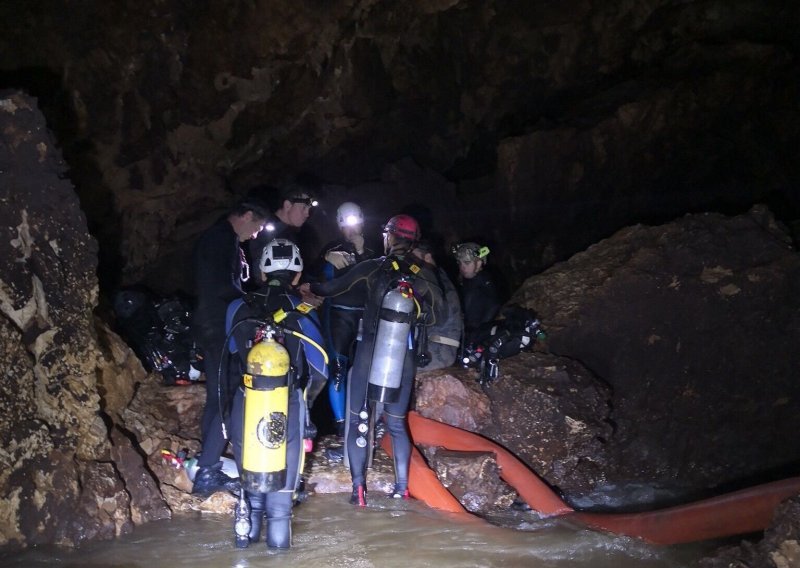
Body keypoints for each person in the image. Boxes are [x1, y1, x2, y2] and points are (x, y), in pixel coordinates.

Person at [300, 214, 443, 507]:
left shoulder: (374, 267)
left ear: (388, 236)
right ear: (413, 241)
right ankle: (401, 487)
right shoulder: (423, 273)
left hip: (369, 349)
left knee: (358, 420)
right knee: (396, 424)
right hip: (402, 354)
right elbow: (439, 314)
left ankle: (359, 490)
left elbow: (330, 289)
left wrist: (310, 282)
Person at [226, 238, 328, 549]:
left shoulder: (236, 307)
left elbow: (232, 352)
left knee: (251, 496)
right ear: (297, 275)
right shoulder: (304, 311)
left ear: (260, 271)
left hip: (246, 402)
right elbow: (321, 367)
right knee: (280, 510)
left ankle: (244, 548)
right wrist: (305, 402)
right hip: (288, 404)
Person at [191, 197, 270, 495]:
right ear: (247, 215)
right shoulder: (220, 239)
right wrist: (251, 306)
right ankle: (208, 471)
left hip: (213, 324)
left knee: (217, 396)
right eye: (257, 226)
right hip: (217, 326)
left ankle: (209, 460)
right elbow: (221, 287)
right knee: (226, 397)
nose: (256, 234)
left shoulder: (222, 239)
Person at [319, 202, 376, 436]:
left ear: (362, 221)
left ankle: (368, 421)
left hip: (366, 318)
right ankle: (342, 425)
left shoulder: (374, 250)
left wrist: (363, 253)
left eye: (355, 223)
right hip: (339, 318)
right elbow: (315, 280)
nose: (351, 230)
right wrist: (325, 260)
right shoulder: (331, 249)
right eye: (346, 225)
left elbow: (379, 277)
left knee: (368, 370)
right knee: (338, 371)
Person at [246, 185, 318, 283]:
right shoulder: (263, 230)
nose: (307, 214)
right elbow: (257, 270)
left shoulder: (291, 232)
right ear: (287, 205)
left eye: (309, 209)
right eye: (304, 207)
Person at [411, 240, 462, 370]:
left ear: (427, 257)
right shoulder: (435, 274)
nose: (411, 262)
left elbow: (438, 317)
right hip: (433, 344)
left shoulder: (430, 278)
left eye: (413, 257)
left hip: (439, 348)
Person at [452, 242, 501, 348]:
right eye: (459, 263)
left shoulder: (484, 280)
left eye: (467, 263)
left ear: (478, 264)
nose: (462, 267)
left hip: (477, 331)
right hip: (464, 329)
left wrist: (480, 328)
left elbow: (494, 305)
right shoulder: (462, 281)